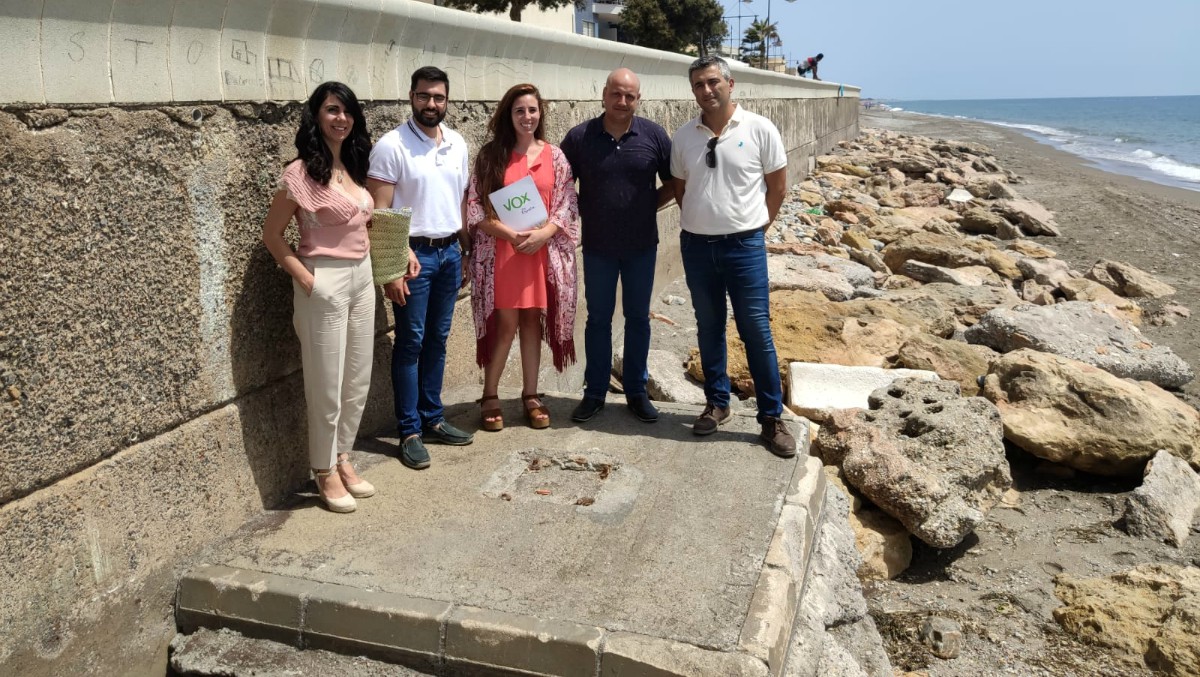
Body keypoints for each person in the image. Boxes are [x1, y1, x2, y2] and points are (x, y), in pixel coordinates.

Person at [669, 56, 796, 457]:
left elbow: (777, 188)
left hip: (745, 247)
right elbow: (679, 189)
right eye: (698, 86)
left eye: (712, 83)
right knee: (708, 326)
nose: (706, 91)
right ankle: (717, 403)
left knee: (756, 330)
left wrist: (757, 229)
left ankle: (772, 419)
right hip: (697, 246)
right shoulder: (684, 136)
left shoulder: (759, 128)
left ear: (730, 83)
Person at [261, 81, 377, 512]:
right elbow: (273, 236)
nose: (340, 118)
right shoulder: (299, 174)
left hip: (362, 276)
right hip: (323, 278)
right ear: (316, 115)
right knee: (325, 382)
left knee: (357, 378)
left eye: (347, 110)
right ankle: (323, 469)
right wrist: (308, 281)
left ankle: (342, 456)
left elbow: (362, 225)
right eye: (331, 109)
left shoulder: (353, 164)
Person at [368, 66, 473, 471]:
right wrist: (392, 265)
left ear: (447, 101)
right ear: (411, 97)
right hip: (412, 257)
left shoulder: (458, 144)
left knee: (438, 339)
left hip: (448, 254)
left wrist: (465, 251)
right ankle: (409, 431)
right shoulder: (391, 145)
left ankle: (433, 419)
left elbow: (461, 203)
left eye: (439, 98)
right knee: (410, 342)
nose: (432, 104)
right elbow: (379, 212)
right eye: (425, 96)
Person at [560, 68, 673, 424]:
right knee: (597, 319)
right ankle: (594, 392)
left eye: (630, 96)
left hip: (642, 246)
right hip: (597, 248)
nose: (622, 102)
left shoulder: (654, 135)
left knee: (639, 318)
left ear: (638, 100)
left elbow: (674, 182)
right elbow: (561, 185)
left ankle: (637, 393)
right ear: (604, 94)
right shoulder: (580, 137)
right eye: (616, 94)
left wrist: (644, 206)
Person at [466, 83, 580, 431]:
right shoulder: (491, 156)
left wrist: (544, 234)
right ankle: (490, 395)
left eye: (532, 110)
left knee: (533, 323)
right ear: (508, 115)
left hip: (541, 254)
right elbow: (474, 207)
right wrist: (511, 234)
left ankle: (531, 395)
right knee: (506, 326)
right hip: (503, 253)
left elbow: (567, 203)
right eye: (519, 111)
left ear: (540, 113)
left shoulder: (555, 157)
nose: (527, 117)